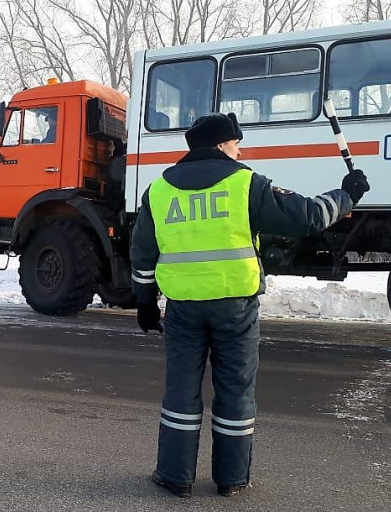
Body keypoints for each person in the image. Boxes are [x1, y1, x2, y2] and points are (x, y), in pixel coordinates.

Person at [130, 113, 370, 498]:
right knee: (236, 390)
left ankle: (175, 477)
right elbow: (304, 216)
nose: (239, 150)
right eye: (236, 143)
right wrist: (347, 195)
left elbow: (142, 252)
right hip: (235, 309)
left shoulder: (159, 190)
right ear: (223, 144)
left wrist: (143, 301)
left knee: (180, 391)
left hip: (183, 308)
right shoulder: (246, 183)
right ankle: (231, 479)